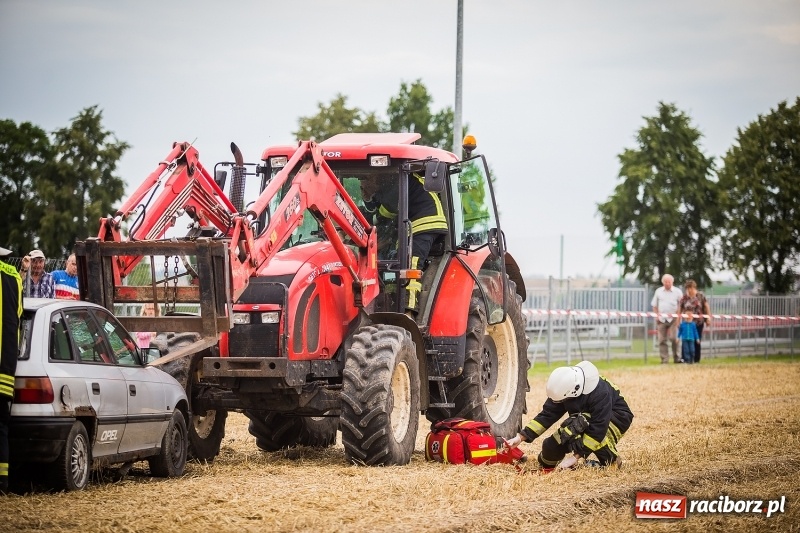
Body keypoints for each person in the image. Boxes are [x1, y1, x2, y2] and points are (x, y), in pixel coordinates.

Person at [504, 361, 633, 471]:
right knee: (552, 445)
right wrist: (521, 437)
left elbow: (598, 428)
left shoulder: (599, 393)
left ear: (574, 392)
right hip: (585, 419)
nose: (558, 404)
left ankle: (612, 461)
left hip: (616, 418)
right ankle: (549, 460)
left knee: (581, 425)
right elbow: (547, 415)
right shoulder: (565, 389)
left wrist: (575, 457)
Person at [360, 173, 448, 314]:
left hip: (424, 223)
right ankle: (392, 303)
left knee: (410, 266)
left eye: (367, 178)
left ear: (376, 177)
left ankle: (408, 312)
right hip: (414, 225)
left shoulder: (396, 181)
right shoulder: (400, 180)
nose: (364, 187)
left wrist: (372, 220)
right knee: (396, 265)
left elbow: (387, 211)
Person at [1, 245, 23, 494]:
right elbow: (17, 316)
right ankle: (3, 482)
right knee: (1, 428)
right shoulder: (14, 278)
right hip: (6, 370)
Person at [651, 274, 683, 363]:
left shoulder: (678, 292)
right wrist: (656, 316)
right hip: (661, 319)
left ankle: (677, 358)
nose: (667, 283)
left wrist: (678, 318)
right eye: (665, 282)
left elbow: (681, 306)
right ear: (663, 282)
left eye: (669, 282)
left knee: (674, 338)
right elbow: (654, 305)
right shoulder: (658, 291)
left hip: (674, 319)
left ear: (672, 282)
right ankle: (664, 360)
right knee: (661, 340)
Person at [679, 279, 711, 363]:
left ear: (694, 287)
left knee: (697, 340)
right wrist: (678, 320)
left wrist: (708, 318)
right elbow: (680, 309)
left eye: (691, 288)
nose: (689, 290)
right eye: (687, 288)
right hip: (687, 323)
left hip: (698, 322)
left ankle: (696, 359)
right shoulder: (684, 297)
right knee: (685, 340)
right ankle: (685, 358)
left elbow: (706, 306)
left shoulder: (700, 295)